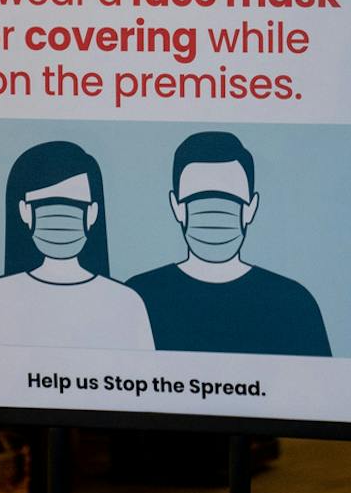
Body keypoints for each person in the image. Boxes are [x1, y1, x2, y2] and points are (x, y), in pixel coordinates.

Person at [126, 131, 331, 356]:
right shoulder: (139, 296)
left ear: (251, 207)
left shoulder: (293, 303)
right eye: (198, 199)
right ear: (176, 206)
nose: (214, 211)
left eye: (229, 199)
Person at [0, 140, 154, 350]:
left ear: (92, 212)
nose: (60, 217)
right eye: (46, 204)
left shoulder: (126, 302)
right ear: (24, 211)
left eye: (73, 205)